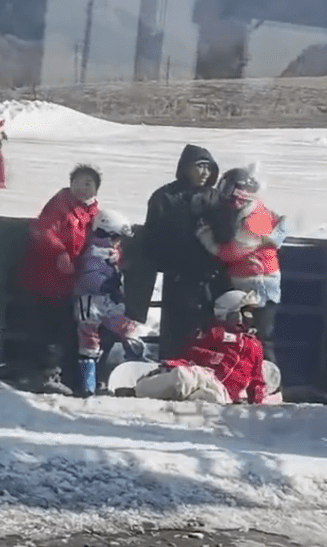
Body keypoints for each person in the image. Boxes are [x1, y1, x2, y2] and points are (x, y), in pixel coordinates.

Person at [15, 164, 99, 394]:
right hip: (47, 277)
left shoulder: (93, 214)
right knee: (47, 326)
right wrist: (60, 252)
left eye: (88, 183)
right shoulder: (60, 204)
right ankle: (44, 374)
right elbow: (44, 230)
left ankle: (69, 375)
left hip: (72, 282)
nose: (83, 188)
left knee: (71, 328)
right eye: (79, 182)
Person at [141, 144, 227, 361]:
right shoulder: (165, 197)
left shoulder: (216, 198)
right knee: (175, 331)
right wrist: (168, 265)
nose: (204, 172)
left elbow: (227, 233)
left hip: (209, 278)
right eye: (199, 166)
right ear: (186, 167)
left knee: (206, 330)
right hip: (178, 276)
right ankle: (171, 369)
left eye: (208, 167)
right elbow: (152, 237)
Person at [197, 167, 286, 365]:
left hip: (258, 285)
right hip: (246, 282)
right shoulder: (254, 211)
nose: (232, 203)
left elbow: (230, 253)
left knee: (258, 336)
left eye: (238, 198)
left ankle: (266, 380)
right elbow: (282, 221)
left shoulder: (254, 220)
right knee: (244, 335)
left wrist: (205, 235)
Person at [135, 290, 267, 405]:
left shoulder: (255, 345)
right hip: (205, 374)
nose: (250, 318)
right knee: (184, 378)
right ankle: (140, 389)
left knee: (212, 398)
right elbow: (191, 352)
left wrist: (256, 398)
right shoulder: (215, 333)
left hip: (223, 392)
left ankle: (176, 396)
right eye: (246, 313)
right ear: (232, 313)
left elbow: (257, 378)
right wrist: (212, 357)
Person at [72, 208, 144, 396]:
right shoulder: (95, 253)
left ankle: (132, 366)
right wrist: (108, 286)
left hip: (104, 304)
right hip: (92, 305)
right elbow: (88, 278)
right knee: (90, 343)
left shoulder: (108, 252)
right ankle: (88, 384)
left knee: (122, 333)